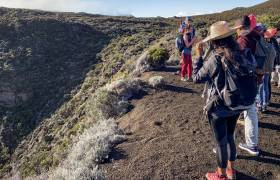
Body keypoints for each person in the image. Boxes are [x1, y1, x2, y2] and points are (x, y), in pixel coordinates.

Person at [193, 21, 241, 180]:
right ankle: (231, 170)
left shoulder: (214, 58)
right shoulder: (239, 51)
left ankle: (221, 176)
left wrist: (198, 57)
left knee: (221, 141)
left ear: (214, 41)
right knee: (230, 136)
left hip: (218, 107)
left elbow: (196, 78)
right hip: (236, 103)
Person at [234, 15, 260, 156]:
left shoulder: (242, 41)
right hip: (256, 79)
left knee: (231, 114)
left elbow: (239, 64)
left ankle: (226, 148)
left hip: (243, 83)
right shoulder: (257, 36)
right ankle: (252, 145)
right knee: (251, 113)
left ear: (239, 28)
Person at [181, 17, 196, 82]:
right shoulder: (185, 35)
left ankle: (190, 77)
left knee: (190, 64)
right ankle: (182, 76)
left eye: (192, 29)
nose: (192, 30)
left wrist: (193, 40)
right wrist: (193, 40)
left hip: (189, 52)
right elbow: (187, 45)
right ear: (188, 29)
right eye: (191, 29)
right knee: (185, 64)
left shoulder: (189, 35)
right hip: (185, 52)